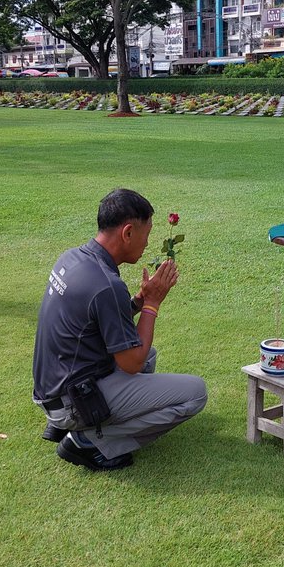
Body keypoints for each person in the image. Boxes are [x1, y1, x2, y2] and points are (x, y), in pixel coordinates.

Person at [32, 189, 208, 471]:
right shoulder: (106, 284)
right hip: (72, 400)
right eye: (146, 234)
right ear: (127, 232)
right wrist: (152, 304)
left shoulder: (73, 258)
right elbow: (132, 364)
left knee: (149, 354)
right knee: (195, 393)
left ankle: (70, 425)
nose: (147, 242)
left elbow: (93, 319)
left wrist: (137, 301)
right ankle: (87, 440)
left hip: (54, 389)